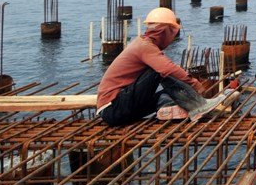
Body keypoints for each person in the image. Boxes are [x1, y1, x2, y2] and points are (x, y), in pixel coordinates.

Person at [96, 7, 228, 126]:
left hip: (118, 110)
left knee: (167, 93)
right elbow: (168, 69)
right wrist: (193, 83)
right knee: (158, 71)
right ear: (165, 32)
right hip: (113, 109)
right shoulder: (144, 47)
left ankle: (174, 108)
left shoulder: (143, 44)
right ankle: (199, 105)